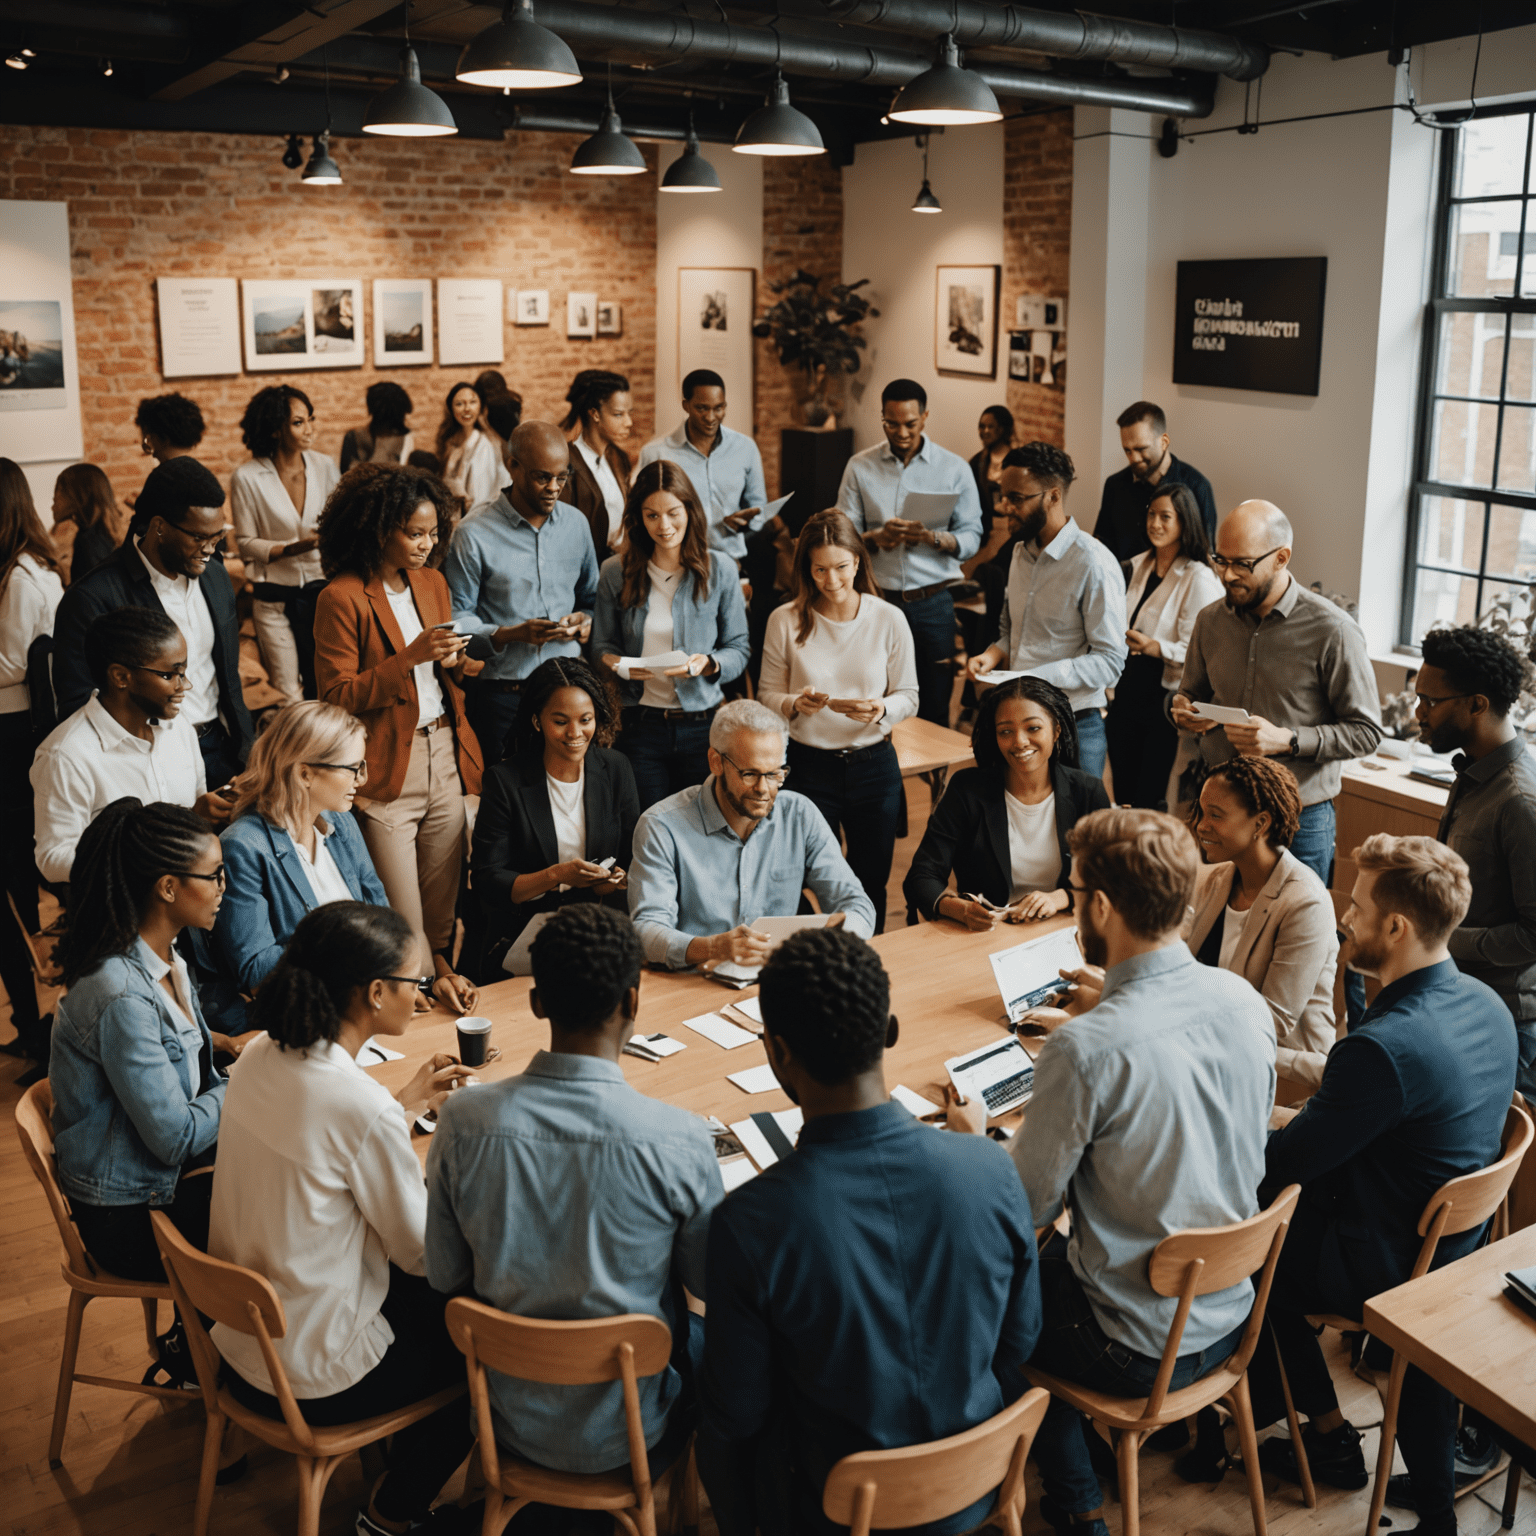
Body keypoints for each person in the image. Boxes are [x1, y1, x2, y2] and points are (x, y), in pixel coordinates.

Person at [946, 807, 1275, 1536]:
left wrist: (974, 1140)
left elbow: (1024, 1205)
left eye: (1075, 891)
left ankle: (1073, 1509)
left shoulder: (1085, 1050)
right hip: (1230, 1311)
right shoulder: (1242, 1003)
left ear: (1098, 907)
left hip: (1134, 1345)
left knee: (989, 1305)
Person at [697, 927, 1043, 1536]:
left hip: (834, 1511)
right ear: (889, 1033)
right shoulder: (990, 1166)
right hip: (975, 1485)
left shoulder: (750, 1223)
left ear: (776, 1054)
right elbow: (1019, 1341)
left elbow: (738, 1417)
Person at [1247, 835, 1517, 1536]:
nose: (1344, 916)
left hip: (1387, 1264)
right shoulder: (1489, 1005)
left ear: (1396, 928)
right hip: (1458, 1244)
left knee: (1250, 1259)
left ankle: (1329, 1434)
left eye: (1358, 905)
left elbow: (1283, 1165)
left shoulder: (1382, 1050)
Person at [426, 904, 721, 1486]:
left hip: (505, 1418)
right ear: (634, 1003)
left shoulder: (461, 1121)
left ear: (536, 1004)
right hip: (635, 1430)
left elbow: (443, 1275)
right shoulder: (680, 1138)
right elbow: (707, 1284)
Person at [208, 902, 475, 1536]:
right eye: (414, 983)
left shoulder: (257, 1058)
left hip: (241, 1344)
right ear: (376, 992)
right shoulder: (358, 1106)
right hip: (313, 1372)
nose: (421, 995)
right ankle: (389, 1512)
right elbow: (421, 1256)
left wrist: (399, 1104)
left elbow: (321, 1143)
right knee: (481, 1351)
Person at [313, 463, 482, 1016]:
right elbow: (335, 697)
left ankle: (439, 1007)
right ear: (379, 528)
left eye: (433, 533)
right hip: (386, 766)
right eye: (414, 533)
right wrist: (408, 658)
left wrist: (459, 663)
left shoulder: (431, 582)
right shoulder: (340, 598)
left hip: (443, 753)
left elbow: (440, 671)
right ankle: (411, 1019)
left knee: (440, 920)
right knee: (403, 923)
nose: (427, 545)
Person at [47, 799, 227, 1293]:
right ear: (168, 887)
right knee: (286, 1216)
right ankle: (210, 1357)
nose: (222, 889)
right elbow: (173, 1138)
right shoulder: (121, 993)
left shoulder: (164, 956)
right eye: (214, 875)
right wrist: (247, 1080)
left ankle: (216, 1352)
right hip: (128, 1217)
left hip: (155, 1182)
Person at [1172, 499, 1383, 885]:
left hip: (1299, 821)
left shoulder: (1332, 630)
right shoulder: (1210, 621)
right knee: (1214, 932)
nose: (1228, 575)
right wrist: (1184, 709)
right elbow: (1190, 692)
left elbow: (1367, 732)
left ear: (1281, 557)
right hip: (1220, 811)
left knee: (1294, 939)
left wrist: (1287, 740)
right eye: (1221, 560)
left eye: (1243, 564)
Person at [53, 455, 254, 788]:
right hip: (145, 760)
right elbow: (76, 701)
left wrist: (249, 748)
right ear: (159, 527)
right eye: (199, 539)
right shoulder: (93, 597)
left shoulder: (216, 578)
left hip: (222, 749)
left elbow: (228, 676)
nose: (209, 550)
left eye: (217, 538)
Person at [628, 699, 875, 969]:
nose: (763, 789)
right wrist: (712, 947)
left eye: (774, 774)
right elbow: (646, 931)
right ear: (715, 762)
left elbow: (857, 905)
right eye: (750, 774)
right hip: (694, 979)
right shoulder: (661, 826)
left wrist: (840, 936)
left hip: (777, 978)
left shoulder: (799, 814)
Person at [759, 511, 917, 933]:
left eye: (841, 568)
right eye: (820, 570)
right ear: (806, 569)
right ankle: (819, 960)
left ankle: (868, 965)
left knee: (871, 882)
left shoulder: (888, 618)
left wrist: (882, 709)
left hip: (873, 765)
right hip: (809, 768)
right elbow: (766, 697)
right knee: (809, 878)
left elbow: (910, 696)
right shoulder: (785, 619)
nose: (831, 581)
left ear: (859, 562)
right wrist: (795, 702)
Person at [209, 700, 388, 1039]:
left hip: (364, 1009)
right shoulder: (243, 846)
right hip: (302, 1026)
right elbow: (256, 971)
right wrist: (339, 938)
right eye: (352, 768)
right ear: (305, 773)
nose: (362, 780)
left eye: (361, 765)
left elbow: (383, 918)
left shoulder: (343, 822)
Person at [1416, 624, 1536, 1100]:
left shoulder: (1521, 802)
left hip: (1505, 1022)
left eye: (1430, 701)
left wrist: (1442, 937)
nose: (1418, 712)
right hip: (1462, 997)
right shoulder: (1472, 770)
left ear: (1477, 704)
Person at [32, 608, 232, 887]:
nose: (185, 685)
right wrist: (142, 855)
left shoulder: (180, 729)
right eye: (170, 675)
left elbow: (189, 815)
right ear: (121, 677)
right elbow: (53, 860)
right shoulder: (66, 755)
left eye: (184, 672)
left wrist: (200, 814)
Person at [591, 461, 749, 809]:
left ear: (690, 510)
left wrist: (708, 663)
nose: (664, 526)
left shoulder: (719, 569)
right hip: (639, 725)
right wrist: (617, 665)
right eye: (651, 515)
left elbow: (739, 649)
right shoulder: (615, 572)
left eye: (673, 513)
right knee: (646, 826)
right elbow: (599, 646)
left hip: (702, 725)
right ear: (638, 518)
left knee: (702, 827)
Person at [470, 657, 639, 976]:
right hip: (528, 938)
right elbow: (488, 881)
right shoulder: (505, 780)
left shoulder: (616, 768)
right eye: (560, 721)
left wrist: (616, 880)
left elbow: (632, 857)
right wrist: (557, 875)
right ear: (537, 722)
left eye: (585, 719)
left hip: (599, 933)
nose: (576, 733)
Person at [967, 443, 1127, 780]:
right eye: (1002, 494)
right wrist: (993, 656)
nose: (1003, 506)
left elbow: (1111, 661)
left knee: (1076, 831)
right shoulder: (1018, 554)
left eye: (1016, 498)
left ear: (1053, 496)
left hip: (1074, 726)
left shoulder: (1093, 563)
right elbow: (1014, 631)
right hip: (1020, 721)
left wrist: (1039, 676)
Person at [444, 420, 599, 766]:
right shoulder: (473, 534)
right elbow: (456, 621)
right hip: (504, 696)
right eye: (542, 477)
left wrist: (585, 620)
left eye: (563, 477)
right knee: (509, 803)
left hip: (569, 692)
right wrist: (510, 634)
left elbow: (592, 599)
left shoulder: (576, 525)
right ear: (512, 465)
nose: (554, 487)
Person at [904, 676, 1110, 929]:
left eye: (1033, 728)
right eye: (1005, 731)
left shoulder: (1087, 791)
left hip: (1064, 928)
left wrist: (1061, 897)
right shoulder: (966, 789)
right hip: (986, 933)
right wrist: (960, 909)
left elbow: (1114, 878)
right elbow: (922, 876)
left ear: (1056, 730)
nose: (1019, 741)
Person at [836, 378, 984, 726]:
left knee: (934, 700)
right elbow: (843, 533)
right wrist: (874, 537)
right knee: (874, 694)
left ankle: (935, 779)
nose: (901, 432)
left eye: (910, 424)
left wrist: (931, 538)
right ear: (882, 418)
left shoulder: (954, 469)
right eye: (892, 423)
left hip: (933, 603)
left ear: (925, 417)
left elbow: (972, 537)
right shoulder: (859, 466)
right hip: (876, 598)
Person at [1186, 756, 1339, 1089]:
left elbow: (1274, 1020)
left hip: (1281, 1072)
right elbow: (1182, 964)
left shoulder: (1305, 902)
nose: (1200, 825)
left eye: (1216, 815)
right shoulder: (1218, 879)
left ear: (1261, 823)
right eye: (1201, 812)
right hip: (1215, 1050)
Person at [1104, 483, 1223, 808]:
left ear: (1184, 521)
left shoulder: (1197, 577)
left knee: (1149, 792)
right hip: (1125, 689)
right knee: (1123, 788)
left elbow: (1202, 649)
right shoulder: (1137, 565)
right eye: (1151, 515)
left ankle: (1148, 854)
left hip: (1162, 697)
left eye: (1165, 517)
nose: (1155, 523)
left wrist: (1157, 647)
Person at [0, 458, 62, 1062]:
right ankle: (33, 1019)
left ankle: (38, 1022)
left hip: (14, 731)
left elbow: (13, 667)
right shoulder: (29, 568)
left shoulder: (22, 577)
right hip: (18, 730)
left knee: (21, 873)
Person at [230, 384, 340, 705]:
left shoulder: (325, 466)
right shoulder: (247, 477)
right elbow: (246, 543)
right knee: (289, 691)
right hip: (274, 597)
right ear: (277, 429)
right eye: (298, 422)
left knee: (327, 682)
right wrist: (291, 549)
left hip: (322, 592)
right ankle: (299, 753)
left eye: (311, 420)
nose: (310, 430)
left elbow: (339, 521)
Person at [637, 368, 769, 563]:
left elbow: (760, 508)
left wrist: (744, 522)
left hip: (731, 561)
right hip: (676, 562)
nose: (711, 417)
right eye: (702, 408)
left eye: (719, 408)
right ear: (686, 405)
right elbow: (640, 513)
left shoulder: (745, 448)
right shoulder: (655, 453)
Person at [1092, 401, 1217, 563]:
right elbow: (1103, 545)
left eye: (1141, 449)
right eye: (1127, 450)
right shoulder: (1115, 485)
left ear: (1164, 442)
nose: (1134, 459)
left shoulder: (1197, 486)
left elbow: (1205, 554)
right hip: (1124, 583)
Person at [561, 368, 633, 557]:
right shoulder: (567, 464)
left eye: (628, 413)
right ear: (595, 414)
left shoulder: (618, 460)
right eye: (618, 414)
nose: (629, 422)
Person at [435, 380, 511, 511]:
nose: (467, 409)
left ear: (481, 406)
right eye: (459, 404)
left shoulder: (484, 445)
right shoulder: (450, 442)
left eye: (472, 402)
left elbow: (482, 494)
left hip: (477, 516)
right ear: (451, 409)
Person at [51, 462, 126, 581]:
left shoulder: (89, 543)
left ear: (79, 497)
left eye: (59, 490)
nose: (54, 498)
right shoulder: (101, 535)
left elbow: (92, 597)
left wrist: (67, 581)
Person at [341, 381, 415, 472]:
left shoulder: (405, 438)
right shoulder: (353, 437)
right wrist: (383, 447)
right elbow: (349, 478)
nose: (404, 420)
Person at [969, 402, 1015, 524]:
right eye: (982, 426)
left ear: (1003, 428)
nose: (985, 431)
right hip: (984, 530)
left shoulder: (1019, 460)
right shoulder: (976, 463)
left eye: (991, 426)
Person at [134, 391, 205, 465]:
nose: (153, 454)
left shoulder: (162, 474)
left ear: (163, 438)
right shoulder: (204, 473)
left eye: (149, 438)